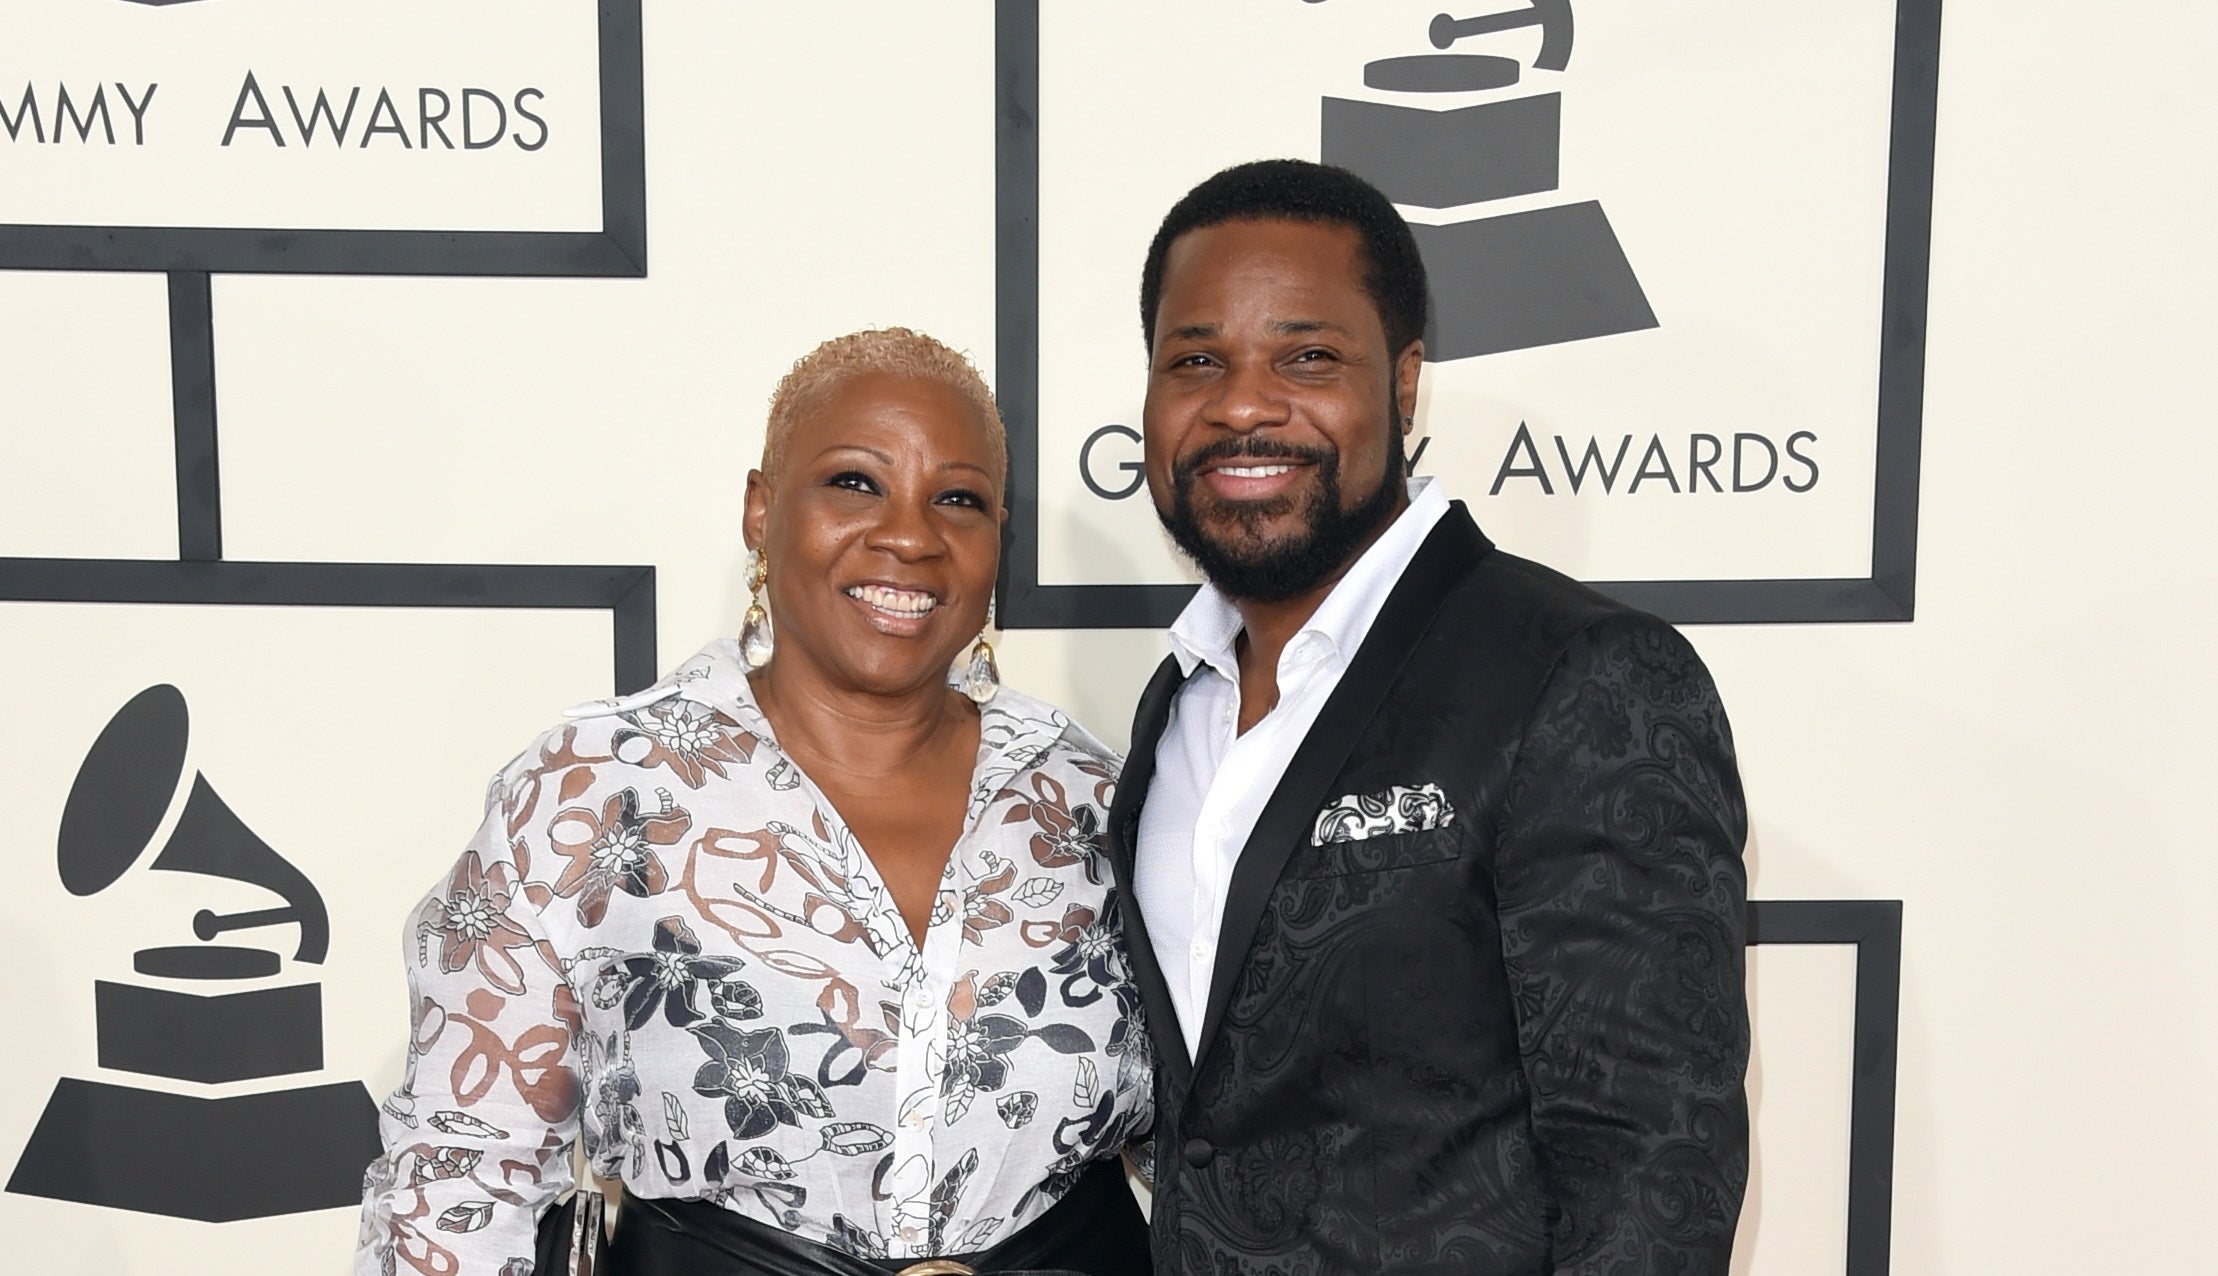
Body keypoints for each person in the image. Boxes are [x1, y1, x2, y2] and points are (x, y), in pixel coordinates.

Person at [356, 329, 1154, 1276]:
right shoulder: (594, 793)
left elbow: (1226, 1150)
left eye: (960, 499)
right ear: (761, 510)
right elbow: (457, 1176)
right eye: (855, 482)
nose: (910, 534)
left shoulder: (1097, 802)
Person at [1106, 160, 1751, 1275]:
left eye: (1307, 356)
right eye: (1196, 359)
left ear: (1405, 384)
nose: (1244, 402)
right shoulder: (1176, 703)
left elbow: (1650, 1171)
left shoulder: (1581, 674)